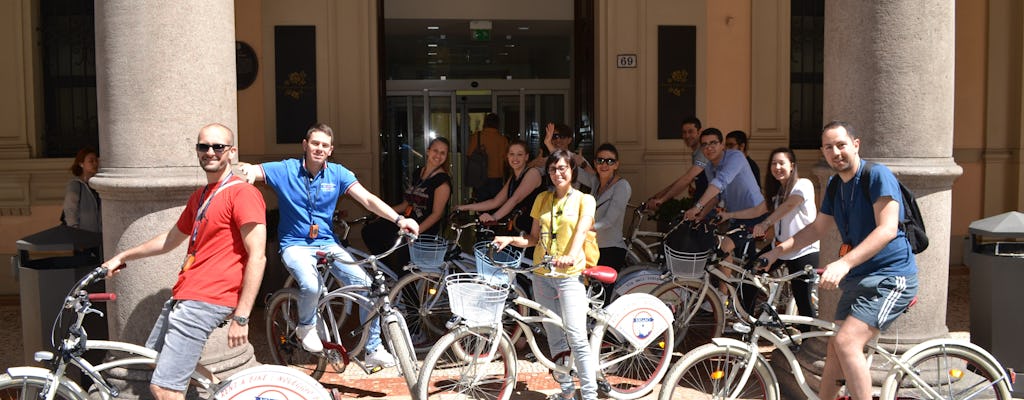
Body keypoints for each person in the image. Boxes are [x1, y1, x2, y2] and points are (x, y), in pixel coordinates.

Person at [101, 123, 267, 400]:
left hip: (208, 297)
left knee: (164, 388)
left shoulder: (243, 194)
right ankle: (229, 395)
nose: (210, 152)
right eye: (204, 146)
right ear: (197, 151)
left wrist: (242, 316)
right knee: (159, 360)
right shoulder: (201, 196)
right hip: (185, 295)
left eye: (218, 147)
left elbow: (258, 256)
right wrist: (123, 255)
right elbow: (170, 240)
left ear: (232, 152)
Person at [240, 123, 419, 368]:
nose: (319, 148)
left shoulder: (338, 173)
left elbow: (367, 199)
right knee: (311, 285)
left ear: (330, 150)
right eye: (315, 143)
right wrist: (246, 172)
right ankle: (305, 327)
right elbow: (252, 170)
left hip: (327, 244)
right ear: (305, 145)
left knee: (369, 288)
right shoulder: (286, 169)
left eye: (324, 145)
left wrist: (399, 219)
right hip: (295, 245)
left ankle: (373, 348)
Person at [760, 121, 917, 400]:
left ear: (856, 145)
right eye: (829, 147)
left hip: (891, 277)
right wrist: (776, 252)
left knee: (846, 343)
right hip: (859, 278)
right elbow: (817, 229)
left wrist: (844, 263)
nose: (836, 152)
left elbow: (887, 228)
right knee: (835, 348)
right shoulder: (834, 185)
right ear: (823, 151)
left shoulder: (876, 175)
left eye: (841, 145)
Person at [493, 150, 599, 400]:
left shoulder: (585, 200)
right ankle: (566, 390)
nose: (558, 173)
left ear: (572, 170)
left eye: (563, 168)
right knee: (554, 336)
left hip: (570, 275)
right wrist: (509, 239)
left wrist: (571, 256)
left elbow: (581, 232)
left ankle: (591, 394)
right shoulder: (542, 198)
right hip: (542, 275)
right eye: (553, 169)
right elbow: (532, 239)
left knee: (575, 335)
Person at [683, 128, 767, 314]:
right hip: (737, 216)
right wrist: (700, 214)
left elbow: (719, 183)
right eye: (704, 144)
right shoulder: (710, 166)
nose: (709, 148)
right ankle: (736, 305)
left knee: (726, 251)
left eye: (713, 143)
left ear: (721, 145)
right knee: (732, 258)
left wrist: (697, 207)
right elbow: (715, 196)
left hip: (755, 215)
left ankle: (724, 301)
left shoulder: (735, 157)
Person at [751, 148, 820, 329]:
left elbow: (790, 205)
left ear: (792, 166)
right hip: (780, 248)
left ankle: (808, 345)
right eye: (774, 163)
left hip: (803, 250)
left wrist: (765, 223)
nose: (777, 167)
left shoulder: (802, 184)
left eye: (782, 163)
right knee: (748, 276)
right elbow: (774, 220)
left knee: (803, 301)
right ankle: (750, 324)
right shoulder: (778, 194)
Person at [363, 137, 452, 267]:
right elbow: (406, 204)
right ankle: (387, 272)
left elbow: (436, 214)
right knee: (370, 231)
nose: (438, 155)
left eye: (443, 153)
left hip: (423, 229)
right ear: (428, 151)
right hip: (408, 222)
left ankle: (403, 284)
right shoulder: (418, 173)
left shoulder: (442, 182)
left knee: (402, 258)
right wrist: (383, 213)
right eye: (435, 151)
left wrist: (415, 232)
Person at [456, 139, 544, 235]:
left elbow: (515, 199)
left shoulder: (532, 173)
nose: (515, 158)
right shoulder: (513, 177)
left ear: (526, 157)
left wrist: (494, 217)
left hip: (532, 229)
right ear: (507, 156)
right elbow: (495, 201)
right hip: (518, 227)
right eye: (511, 154)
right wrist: (464, 207)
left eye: (520, 154)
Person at [576, 143, 631, 272]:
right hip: (593, 248)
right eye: (600, 160)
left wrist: (583, 229)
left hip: (611, 250)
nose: (604, 164)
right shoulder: (596, 182)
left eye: (610, 161)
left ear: (616, 165)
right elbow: (571, 171)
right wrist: (550, 146)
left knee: (604, 291)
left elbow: (609, 221)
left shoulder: (622, 186)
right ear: (595, 163)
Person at [648, 117, 711, 211]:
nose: (686, 136)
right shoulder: (697, 153)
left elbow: (686, 179)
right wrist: (659, 194)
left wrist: (662, 200)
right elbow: (685, 179)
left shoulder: (703, 152)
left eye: (690, 131)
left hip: (710, 205)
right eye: (684, 132)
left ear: (699, 132)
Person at [468, 113, 510, 201]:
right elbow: (506, 159)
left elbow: (469, 155)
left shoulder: (477, 137)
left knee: (481, 204)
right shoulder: (503, 140)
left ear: (485, 123)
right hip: (497, 177)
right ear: (497, 124)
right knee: (495, 205)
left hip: (479, 177)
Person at [62, 147, 102, 232]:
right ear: (81, 164)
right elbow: (70, 210)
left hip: (100, 234)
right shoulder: (76, 185)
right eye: (91, 161)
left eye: (96, 160)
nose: (95, 163)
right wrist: (75, 230)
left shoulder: (99, 184)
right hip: (83, 234)